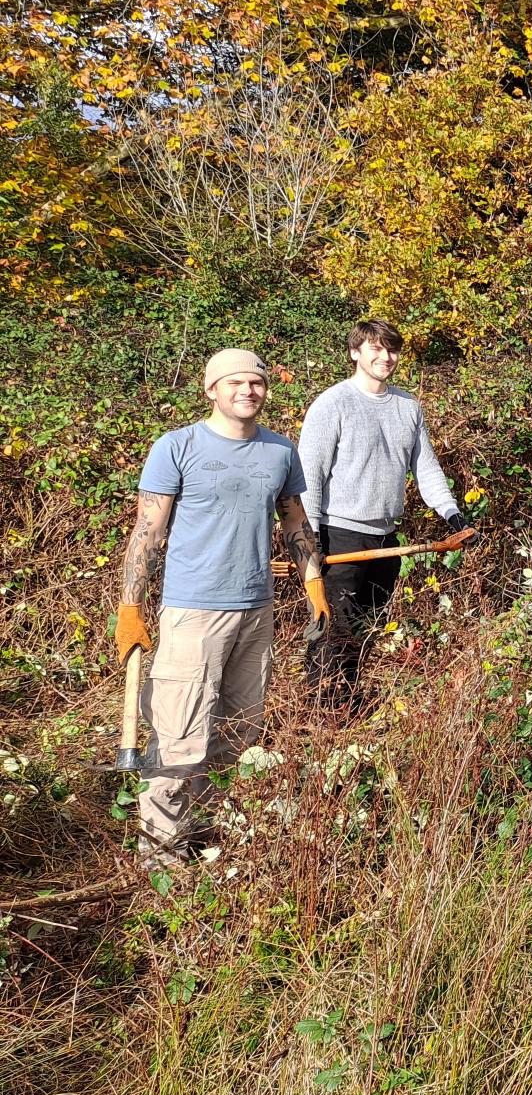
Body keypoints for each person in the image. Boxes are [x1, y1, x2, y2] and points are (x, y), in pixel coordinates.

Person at [115, 349, 328, 863]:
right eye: (235, 382)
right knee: (180, 735)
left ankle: (205, 840)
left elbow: (295, 523)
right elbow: (148, 531)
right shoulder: (177, 446)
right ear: (211, 390)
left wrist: (314, 582)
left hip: (257, 611)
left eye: (256, 382)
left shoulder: (280, 452)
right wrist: (131, 607)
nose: (247, 391)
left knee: (237, 732)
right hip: (193, 611)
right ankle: (160, 860)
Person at [297, 319, 474, 705]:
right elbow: (308, 475)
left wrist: (451, 513)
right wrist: (308, 538)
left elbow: (425, 468)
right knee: (332, 629)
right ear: (355, 353)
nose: (385, 356)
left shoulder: (407, 406)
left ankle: (349, 702)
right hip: (338, 537)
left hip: (385, 540)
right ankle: (321, 710)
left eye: (391, 349)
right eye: (375, 348)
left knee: (366, 627)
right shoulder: (333, 403)